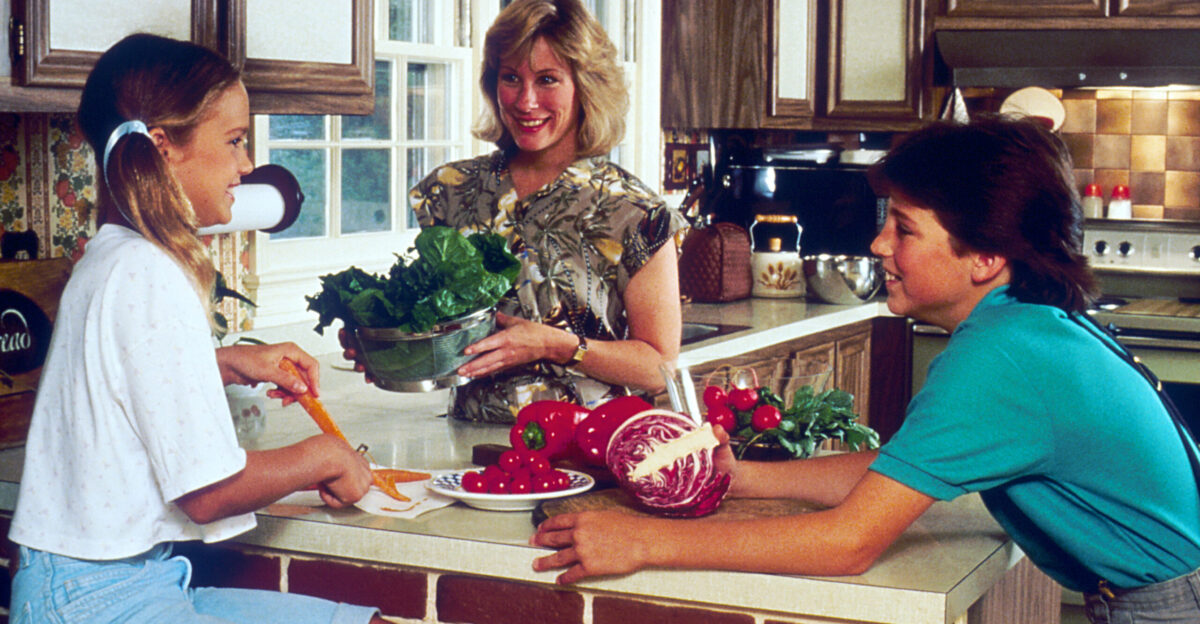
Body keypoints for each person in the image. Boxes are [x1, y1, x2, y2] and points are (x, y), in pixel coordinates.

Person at [531, 116, 1200, 623]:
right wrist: (748, 477)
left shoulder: (1000, 359)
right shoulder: (1025, 325)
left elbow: (847, 544)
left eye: (904, 229)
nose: (879, 243)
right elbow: (900, 469)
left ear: (985, 258)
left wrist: (641, 543)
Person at [8, 34, 388, 624]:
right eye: (235, 141)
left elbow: (124, 381)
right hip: (94, 605)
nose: (246, 165)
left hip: (116, 586)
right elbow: (207, 493)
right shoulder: (148, 271)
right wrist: (325, 456)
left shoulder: (115, 256)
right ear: (164, 149)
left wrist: (229, 361)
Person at [342, 0, 685, 423]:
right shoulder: (452, 191)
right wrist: (389, 345)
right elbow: (453, 334)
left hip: (590, 449)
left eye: (547, 80)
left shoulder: (636, 211)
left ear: (586, 86)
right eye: (510, 78)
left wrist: (554, 344)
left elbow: (659, 368)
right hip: (471, 447)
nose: (525, 101)